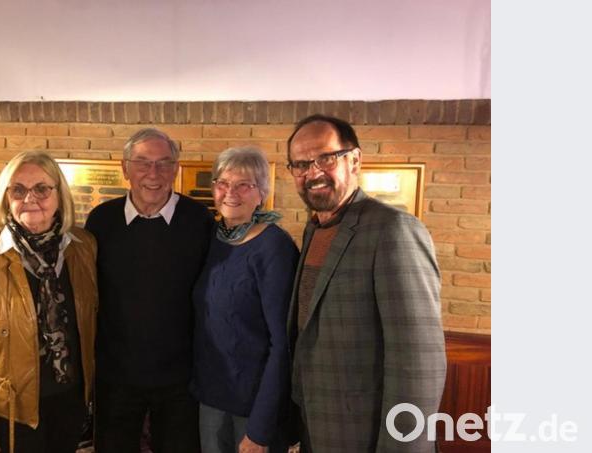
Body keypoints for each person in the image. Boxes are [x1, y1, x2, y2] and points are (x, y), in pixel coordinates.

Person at [285, 115, 446, 452]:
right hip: (314, 425)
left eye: (325, 158)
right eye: (300, 164)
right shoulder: (313, 229)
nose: (312, 172)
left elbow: (418, 364)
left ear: (354, 160)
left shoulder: (393, 229)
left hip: (365, 435)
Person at [0, 150, 98, 453]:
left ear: (59, 196)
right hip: (9, 414)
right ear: (6, 198)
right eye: (18, 189)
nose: (30, 198)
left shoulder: (83, 248)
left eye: (42, 188)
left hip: (69, 405)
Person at [85, 128, 213, 453]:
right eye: (142, 163)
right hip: (115, 375)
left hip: (181, 378)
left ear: (175, 168)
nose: (152, 174)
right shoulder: (101, 221)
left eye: (163, 163)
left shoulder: (200, 220)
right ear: (125, 169)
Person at [190, 147, 299, 453]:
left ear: (262, 192)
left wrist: (261, 428)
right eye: (222, 183)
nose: (230, 193)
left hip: (253, 407)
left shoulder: (274, 247)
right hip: (211, 398)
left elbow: (284, 342)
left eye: (243, 185)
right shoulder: (214, 238)